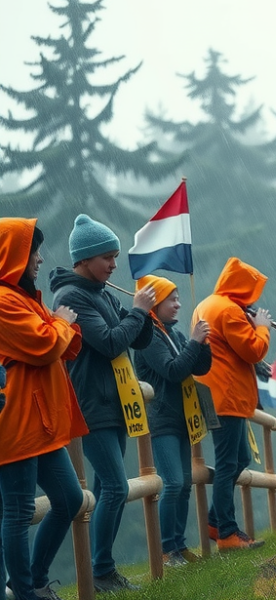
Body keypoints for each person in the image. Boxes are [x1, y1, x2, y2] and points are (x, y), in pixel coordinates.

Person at [48, 214, 154, 593]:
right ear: (83, 258)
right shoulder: (71, 296)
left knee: (108, 486)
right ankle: (101, 570)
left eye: (115, 257)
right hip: (91, 403)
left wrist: (145, 314)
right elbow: (110, 343)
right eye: (107, 257)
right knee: (115, 487)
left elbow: (137, 340)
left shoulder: (103, 292)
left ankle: (99, 569)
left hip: (116, 402)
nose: (113, 265)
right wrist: (138, 311)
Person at [0, 218, 87, 600]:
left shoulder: (23, 298)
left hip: (42, 424)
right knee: (18, 512)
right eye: (31, 251)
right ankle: (25, 591)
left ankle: (33, 580)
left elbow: (62, 342)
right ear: (11, 256)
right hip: (18, 422)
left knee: (69, 498)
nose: (39, 258)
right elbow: (46, 344)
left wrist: (59, 326)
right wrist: (61, 323)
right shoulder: (3, 301)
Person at [193, 257, 272, 551]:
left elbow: (228, 349)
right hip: (226, 395)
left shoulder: (207, 304)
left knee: (239, 459)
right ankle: (227, 533)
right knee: (228, 464)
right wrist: (262, 328)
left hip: (212, 392)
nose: (253, 298)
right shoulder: (229, 310)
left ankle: (216, 522)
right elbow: (253, 349)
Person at [133, 275, 212, 567]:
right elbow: (173, 370)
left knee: (186, 483)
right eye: (172, 300)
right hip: (162, 418)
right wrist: (194, 343)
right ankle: (167, 550)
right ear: (156, 304)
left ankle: (179, 544)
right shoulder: (149, 336)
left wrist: (203, 344)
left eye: (179, 299)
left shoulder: (174, 334)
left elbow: (199, 368)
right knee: (174, 482)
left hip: (183, 417)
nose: (178, 305)